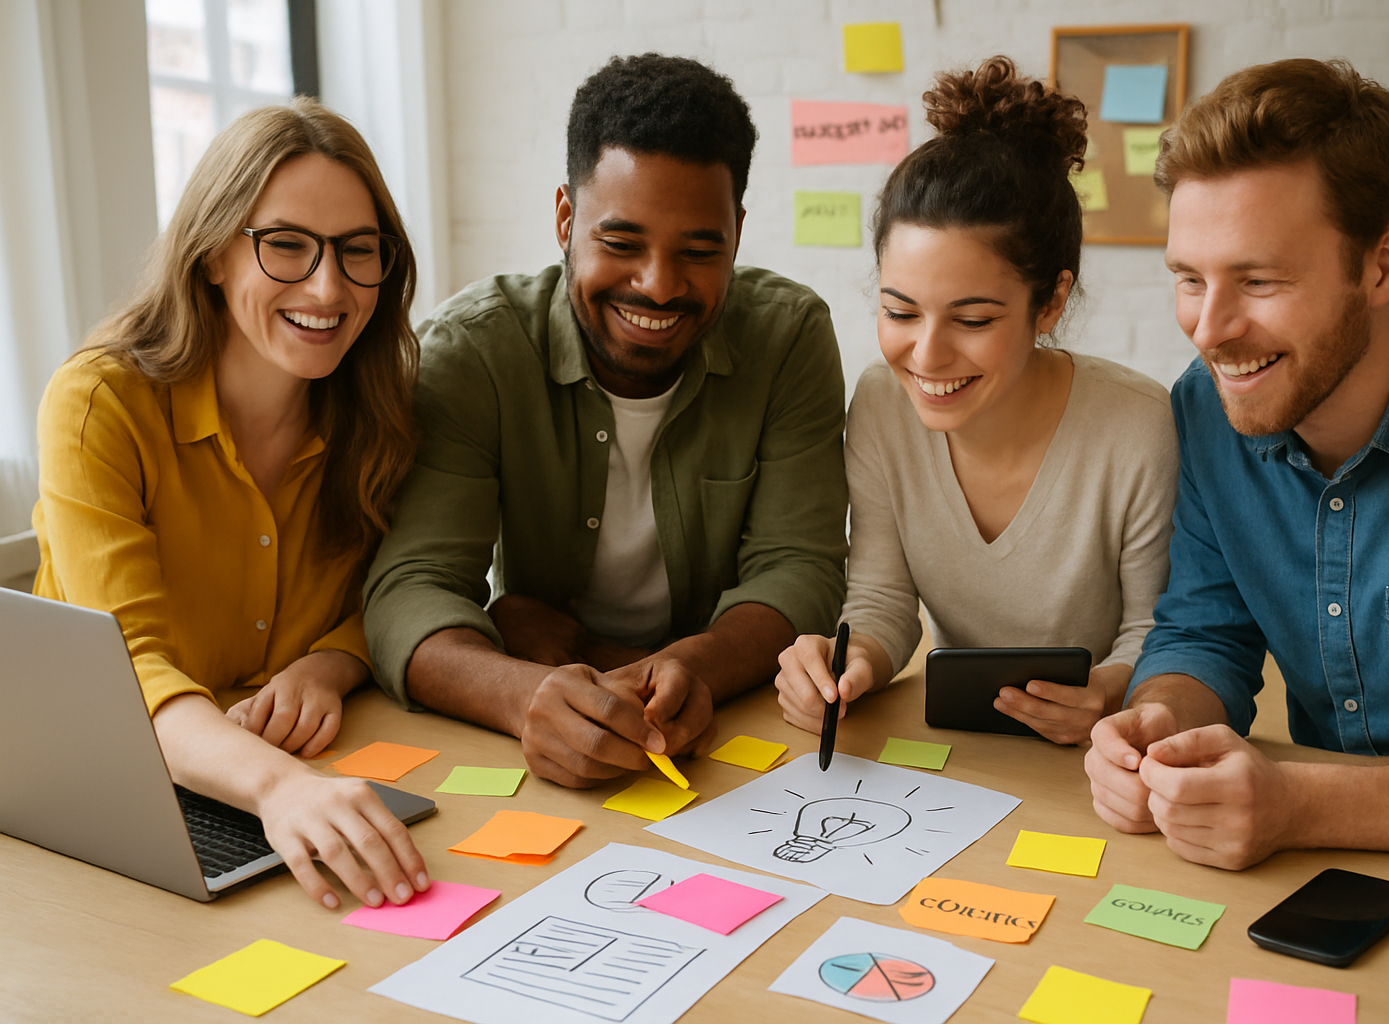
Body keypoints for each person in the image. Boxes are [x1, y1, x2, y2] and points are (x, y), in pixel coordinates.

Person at [1085, 58, 1389, 868]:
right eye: (1189, 278)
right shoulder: (1207, 402)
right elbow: (1203, 632)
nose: (1209, 330)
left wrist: (1294, 802)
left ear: (1383, 264)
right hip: (1311, 866)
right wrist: (1158, 718)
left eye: (1258, 280)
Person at [363, 53, 848, 788]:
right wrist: (523, 696)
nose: (657, 285)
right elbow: (411, 588)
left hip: (727, 737)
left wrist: (690, 666)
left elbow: (802, 567)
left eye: (698, 250)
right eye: (621, 244)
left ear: (738, 234)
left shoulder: (790, 337)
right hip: (539, 723)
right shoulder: (473, 350)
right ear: (566, 217)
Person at [32, 99, 431, 909]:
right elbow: (129, 672)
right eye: (286, 245)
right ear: (212, 253)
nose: (328, 287)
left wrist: (329, 665)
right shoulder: (98, 403)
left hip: (302, 778)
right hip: (111, 793)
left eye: (358, 251)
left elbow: (394, 593)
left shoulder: (384, 410)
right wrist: (282, 787)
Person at [774, 57, 1179, 744]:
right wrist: (848, 664)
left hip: (1106, 755)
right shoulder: (881, 400)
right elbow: (882, 599)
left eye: (972, 321)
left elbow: (1159, 630)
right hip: (960, 753)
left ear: (1049, 302)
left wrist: (1106, 692)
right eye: (901, 312)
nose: (927, 357)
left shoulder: (1137, 426)